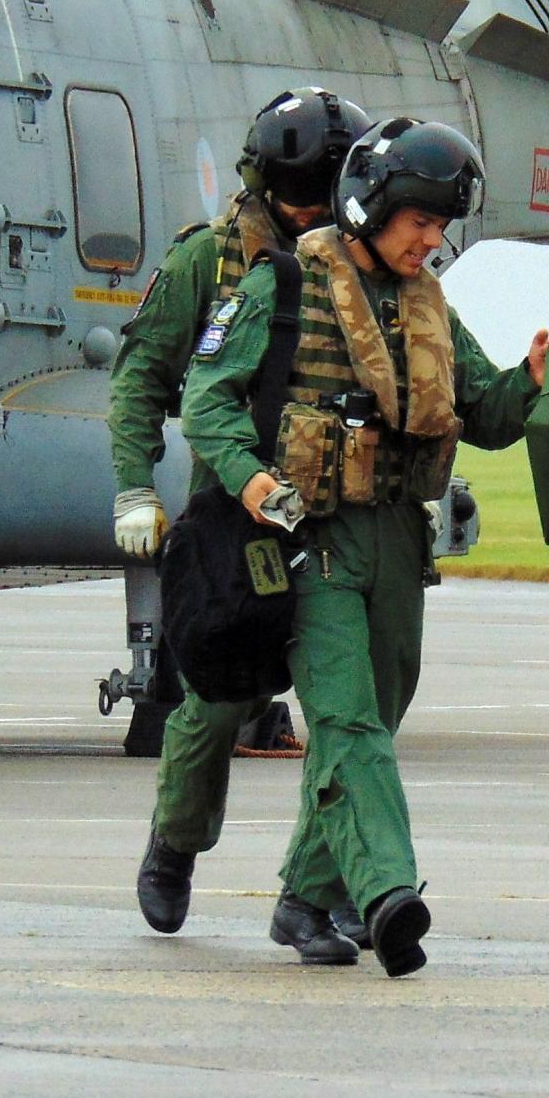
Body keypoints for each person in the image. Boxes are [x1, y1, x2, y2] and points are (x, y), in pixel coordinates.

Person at [181, 116, 549, 976]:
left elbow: (488, 411)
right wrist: (251, 479)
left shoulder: (430, 304)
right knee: (348, 718)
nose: (431, 241)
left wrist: (533, 382)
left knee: (380, 712)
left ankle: (300, 898)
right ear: (373, 205)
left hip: (400, 540)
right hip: (311, 538)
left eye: (441, 227)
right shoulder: (282, 288)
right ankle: (388, 893)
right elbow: (207, 400)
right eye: (420, 223)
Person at [113, 88, 372, 942]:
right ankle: (175, 843)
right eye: (300, 200)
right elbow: (143, 380)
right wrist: (134, 488)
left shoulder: (374, 265)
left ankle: (324, 886)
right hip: (236, 517)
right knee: (221, 701)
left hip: (341, 520)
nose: (311, 217)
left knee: (353, 708)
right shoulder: (209, 262)